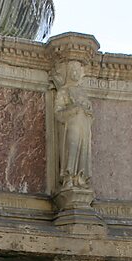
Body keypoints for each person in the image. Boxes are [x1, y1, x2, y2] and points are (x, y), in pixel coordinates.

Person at [54, 61, 93, 190]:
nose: (75, 73)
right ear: (68, 73)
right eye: (73, 70)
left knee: (83, 152)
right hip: (70, 127)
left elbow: (91, 114)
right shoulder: (63, 91)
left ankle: (80, 178)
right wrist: (73, 110)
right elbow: (58, 114)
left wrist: (86, 111)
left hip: (84, 127)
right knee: (71, 149)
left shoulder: (83, 93)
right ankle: (68, 177)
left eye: (78, 70)